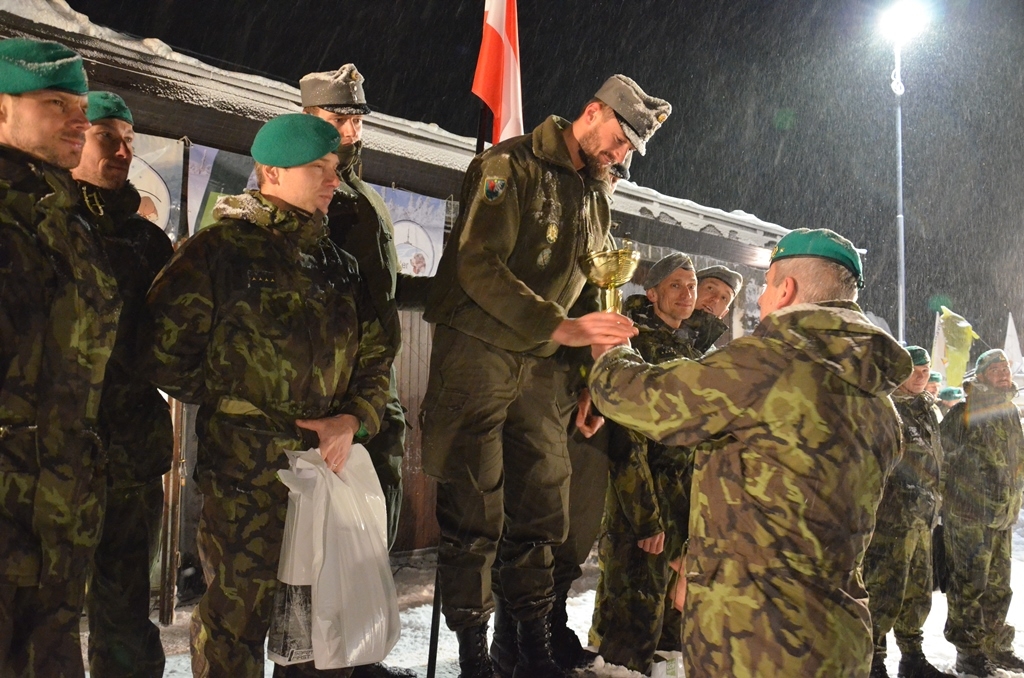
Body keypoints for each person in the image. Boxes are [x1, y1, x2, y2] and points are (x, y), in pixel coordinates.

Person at [421, 74, 670, 678]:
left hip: (543, 369)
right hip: (478, 354)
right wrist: (561, 328)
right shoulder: (510, 165)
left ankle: (527, 642)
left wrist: (589, 376)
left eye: (629, 150)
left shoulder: (596, 194)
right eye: (618, 139)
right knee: (474, 512)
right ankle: (474, 656)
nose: (620, 156)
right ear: (592, 112)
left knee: (542, 507)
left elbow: (590, 285)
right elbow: (477, 266)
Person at [588, 228, 913, 678]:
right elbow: (790, 503)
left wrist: (610, 355)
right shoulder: (879, 399)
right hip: (837, 636)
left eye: (764, 288)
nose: (759, 302)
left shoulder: (766, 364)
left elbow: (638, 398)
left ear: (787, 289)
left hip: (754, 638)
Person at [143, 114, 394, 678]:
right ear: (271, 172)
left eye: (335, 168)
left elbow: (376, 356)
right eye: (318, 169)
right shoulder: (219, 252)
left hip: (326, 475)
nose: (333, 180)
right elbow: (161, 349)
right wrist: (241, 403)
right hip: (246, 481)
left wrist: (353, 418)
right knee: (237, 624)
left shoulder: (341, 267)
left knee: (319, 628)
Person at [0, 38, 123, 676]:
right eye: (56, 104)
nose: (80, 120)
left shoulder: (70, 223)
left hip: (57, 520)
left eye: (81, 105)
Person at [299, 64, 431, 555]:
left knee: (377, 504)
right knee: (328, 533)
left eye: (358, 120)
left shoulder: (364, 198)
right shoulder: (310, 191)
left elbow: (382, 286)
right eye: (339, 120)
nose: (352, 131)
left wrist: (449, 290)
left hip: (377, 375)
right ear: (309, 118)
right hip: (333, 382)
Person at [71, 91, 174, 678]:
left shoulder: (148, 242)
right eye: (106, 135)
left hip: (132, 449)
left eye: (129, 139)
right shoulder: (48, 225)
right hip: (53, 451)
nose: (121, 149)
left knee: (126, 603)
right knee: (42, 604)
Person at [589, 252, 707, 674]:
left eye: (691, 286)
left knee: (667, 635)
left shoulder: (686, 346)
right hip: (642, 503)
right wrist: (645, 518)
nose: (686, 294)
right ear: (652, 292)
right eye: (675, 285)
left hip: (679, 506)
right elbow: (625, 438)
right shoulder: (635, 342)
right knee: (628, 631)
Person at [862, 346, 952, 678]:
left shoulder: (927, 409)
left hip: (922, 519)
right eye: (914, 370)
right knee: (883, 590)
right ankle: (874, 661)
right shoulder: (882, 406)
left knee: (916, 592)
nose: (920, 376)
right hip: (889, 521)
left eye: (925, 371)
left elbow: (936, 459)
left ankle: (912, 656)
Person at [939, 349, 1024, 677]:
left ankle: (995, 646)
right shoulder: (964, 411)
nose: (1004, 373)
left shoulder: (1010, 412)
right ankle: (970, 653)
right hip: (969, 517)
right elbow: (940, 459)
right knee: (970, 584)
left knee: (999, 585)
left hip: (1002, 516)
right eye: (996, 369)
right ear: (982, 375)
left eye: (1006, 368)